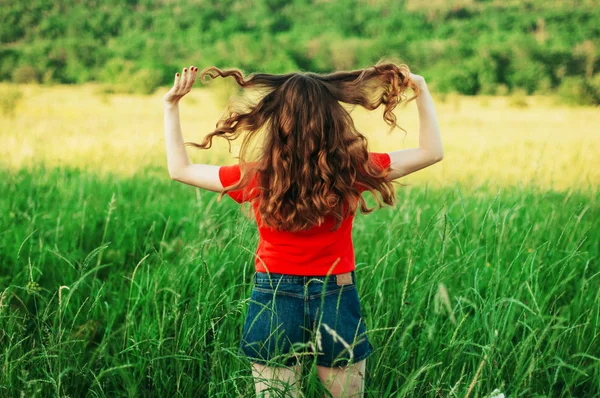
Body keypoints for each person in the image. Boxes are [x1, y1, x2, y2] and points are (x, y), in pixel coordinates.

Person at [163, 61, 442, 397]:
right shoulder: (352, 169)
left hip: (273, 294)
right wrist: (422, 90)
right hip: (336, 294)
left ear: (279, 122)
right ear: (332, 119)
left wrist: (171, 106)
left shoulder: (257, 175)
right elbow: (431, 152)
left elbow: (180, 169)